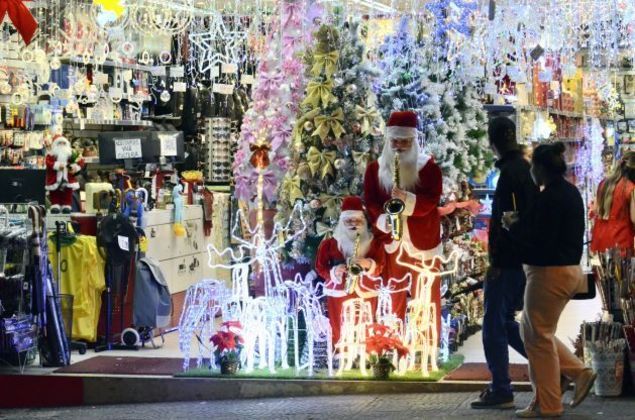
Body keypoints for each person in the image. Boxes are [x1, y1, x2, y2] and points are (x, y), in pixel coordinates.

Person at [504, 142, 596, 418]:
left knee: (538, 337)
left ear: (541, 169)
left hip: (549, 272)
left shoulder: (550, 198)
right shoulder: (568, 193)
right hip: (564, 270)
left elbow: (540, 241)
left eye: (533, 167)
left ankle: (549, 402)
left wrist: (514, 228)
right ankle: (576, 374)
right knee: (532, 332)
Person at [471, 117, 539, 410]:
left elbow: (506, 221)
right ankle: (554, 369)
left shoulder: (510, 173)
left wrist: (497, 259)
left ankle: (501, 388)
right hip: (522, 259)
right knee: (507, 323)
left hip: (508, 261)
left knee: (493, 327)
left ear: (492, 142)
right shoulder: (524, 170)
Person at [363, 110, 442, 330]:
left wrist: (406, 200)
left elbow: (432, 199)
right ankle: (391, 339)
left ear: (413, 140)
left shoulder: (428, 167)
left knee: (426, 295)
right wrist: (381, 220)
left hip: (423, 242)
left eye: (404, 141)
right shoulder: (375, 169)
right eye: (395, 140)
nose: (398, 146)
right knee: (392, 292)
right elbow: (370, 200)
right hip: (391, 241)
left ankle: (425, 343)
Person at [315, 196, 385, 346]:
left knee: (366, 321)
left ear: (363, 221)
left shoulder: (373, 243)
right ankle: (340, 350)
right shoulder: (330, 243)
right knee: (339, 321)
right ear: (342, 222)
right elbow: (320, 267)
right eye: (349, 221)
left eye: (357, 221)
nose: (353, 225)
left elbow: (381, 266)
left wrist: (369, 264)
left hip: (366, 289)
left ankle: (366, 351)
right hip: (339, 289)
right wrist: (333, 272)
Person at [590, 151, 635, 253]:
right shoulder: (629, 187)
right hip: (621, 242)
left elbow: (596, 209)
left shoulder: (604, 183)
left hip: (602, 239)